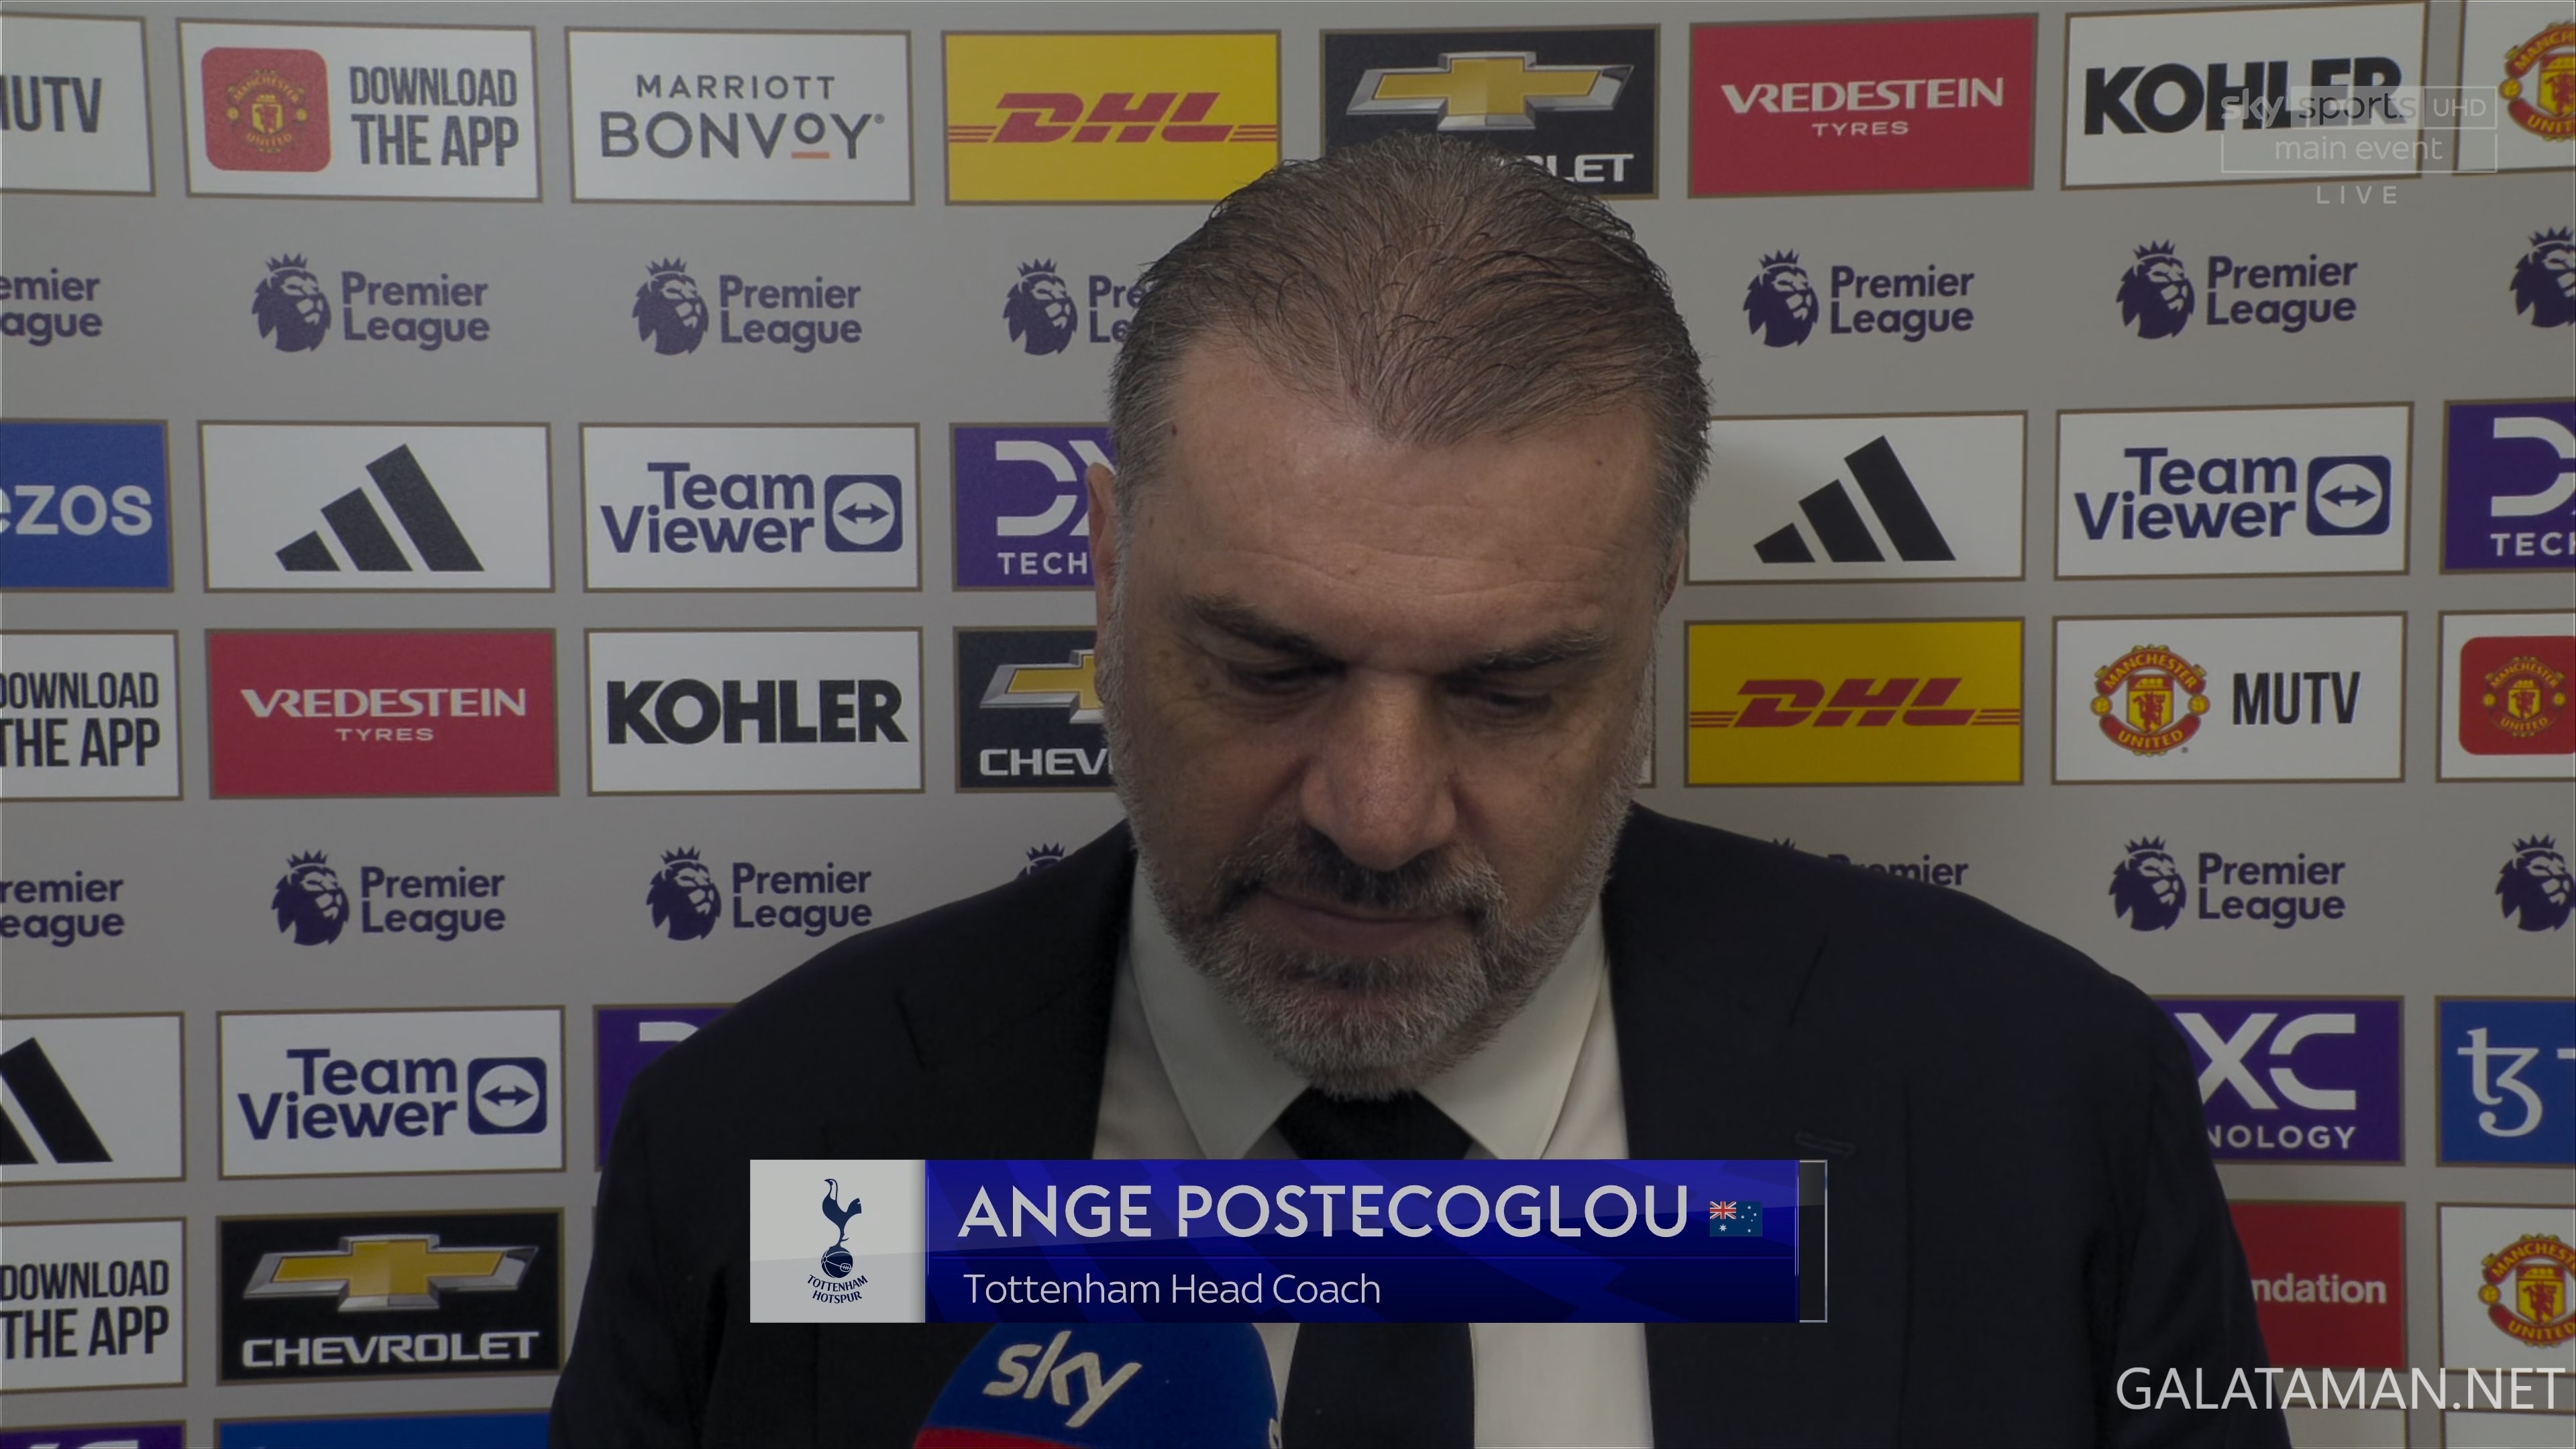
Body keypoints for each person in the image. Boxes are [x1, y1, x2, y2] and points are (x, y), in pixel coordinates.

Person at [553, 133, 2286, 1448]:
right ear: (1106, 571)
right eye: (1270, 668)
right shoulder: (763, 1141)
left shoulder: (2042, 1114)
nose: (1378, 817)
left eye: (1510, 691)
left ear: (1654, 613)